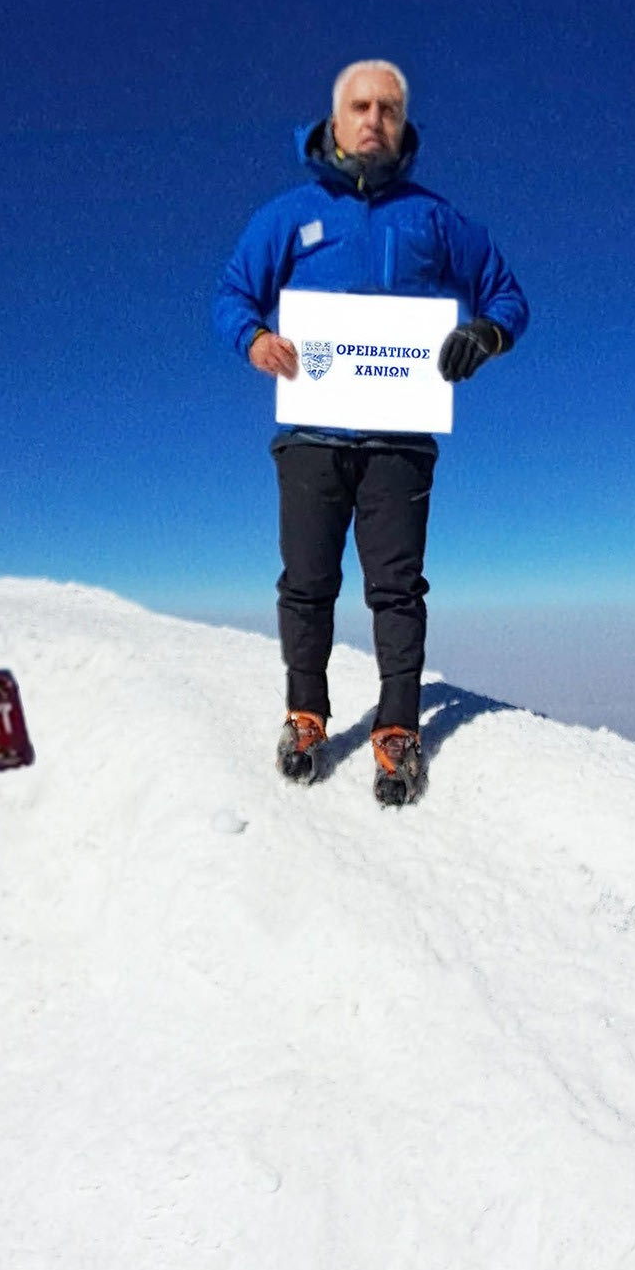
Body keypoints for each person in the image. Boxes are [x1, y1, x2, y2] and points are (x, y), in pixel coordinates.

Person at [214, 59, 529, 805]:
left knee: (396, 590)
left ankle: (397, 731)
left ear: (404, 121)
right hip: (311, 435)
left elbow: (507, 294)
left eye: (388, 108)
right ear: (334, 117)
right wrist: (255, 341)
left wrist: (485, 335)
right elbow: (233, 295)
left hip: (399, 440)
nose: (374, 120)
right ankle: (306, 714)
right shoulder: (288, 215)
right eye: (361, 106)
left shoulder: (435, 218)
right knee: (307, 585)